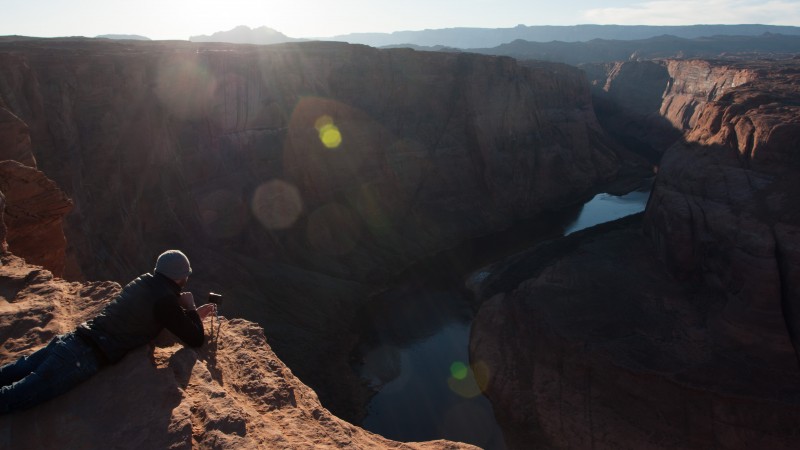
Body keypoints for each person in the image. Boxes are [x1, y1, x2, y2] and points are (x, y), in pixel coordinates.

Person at [0, 249, 217, 414]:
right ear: (181, 277)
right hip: (83, 355)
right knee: (15, 397)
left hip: (73, 339)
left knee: (20, 367)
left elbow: (152, 307)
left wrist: (180, 307)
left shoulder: (142, 281)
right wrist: (190, 309)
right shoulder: (165, 301)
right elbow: (195, 339)